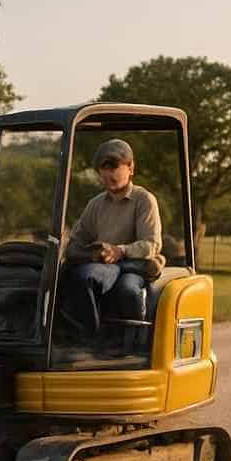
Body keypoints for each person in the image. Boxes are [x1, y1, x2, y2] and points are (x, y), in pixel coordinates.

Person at [59, 139, 166, 337]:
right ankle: (84, 337)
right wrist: (83, 251)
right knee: (70, 276)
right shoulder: (95, 204)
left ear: (131, 168)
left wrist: (119, 251)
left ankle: (134, 345)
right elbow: (77, 240)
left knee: (127, 289)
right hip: (103, 265)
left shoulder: (144, 200)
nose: (109, 174)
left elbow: (151, 244)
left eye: (115, 167)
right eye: (104, 168)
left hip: (132, 266)